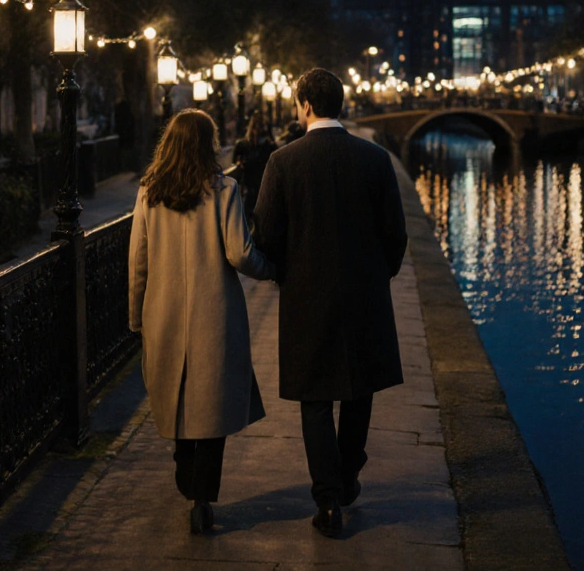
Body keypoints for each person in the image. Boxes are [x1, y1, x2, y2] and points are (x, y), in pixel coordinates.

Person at [253, 68, 407, 539]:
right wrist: (380, 274)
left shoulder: (283, 162)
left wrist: (285, 274)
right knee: (359, 391)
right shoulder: (375, 159)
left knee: (315, 399)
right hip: (365, 295)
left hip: (307, 297)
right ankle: (347, 475)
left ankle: (327, 501)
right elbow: (395, 235)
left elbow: (266, 236)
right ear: (339, 104)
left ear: (303, 105)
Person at [128, 109, 276, 534]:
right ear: (208, 144)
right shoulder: (224, 190)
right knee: (212, 406)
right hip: (216, 314)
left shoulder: (148, 192)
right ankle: (202, 498)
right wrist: (271, 269)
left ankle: (184, 473)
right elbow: (240, 254)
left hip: (164, 313)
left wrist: (137, 316)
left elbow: (138, 260)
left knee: (176, 396)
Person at [231, 111, 278, 216]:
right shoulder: (269, 147)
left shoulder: (243, 146)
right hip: (262, 189)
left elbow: (235, 165)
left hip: (251, 189)